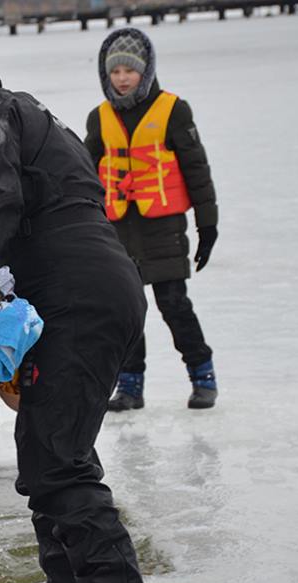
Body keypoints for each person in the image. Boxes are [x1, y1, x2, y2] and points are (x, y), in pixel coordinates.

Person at [0, 48, 154, 583]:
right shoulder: (39, 118)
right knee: (49, 441)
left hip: (74, 295)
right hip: (96, 285)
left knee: (59, 461)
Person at [84, 27, 220, 411]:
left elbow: (197, 169)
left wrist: (207, 224)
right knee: (126, 310)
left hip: (164, 226)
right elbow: (81, 171)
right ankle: (130, 386)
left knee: (174, 303)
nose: (123, 78)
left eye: (130, 70)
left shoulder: (174, 109)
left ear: (146, 70)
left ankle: (202, 376)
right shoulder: (100, 118)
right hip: (117, 229)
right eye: (115, 72)